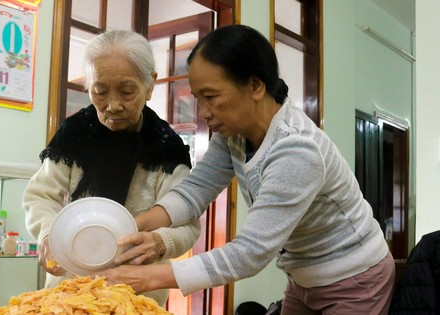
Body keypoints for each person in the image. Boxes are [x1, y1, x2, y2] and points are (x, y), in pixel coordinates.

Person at [101, 24, 395, 314]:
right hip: (303, 277)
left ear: (255, 86)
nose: (203, 113)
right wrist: (132, 225)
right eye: (198, 99)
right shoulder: (234, 135)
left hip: (356, 278)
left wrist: (151, 277)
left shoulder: (297, 150)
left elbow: (250, 252)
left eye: (212, 97)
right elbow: (196, 190)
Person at [22, 29, 200, 306]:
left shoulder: (166, 148)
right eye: (100, 91)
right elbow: (40, 195)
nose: (113, 105)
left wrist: (162, 241)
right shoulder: (75, 134)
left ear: (150, 85)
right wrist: (47, 233)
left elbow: (187, 224)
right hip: (70, 286)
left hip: (137, 290)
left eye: (127, 92)